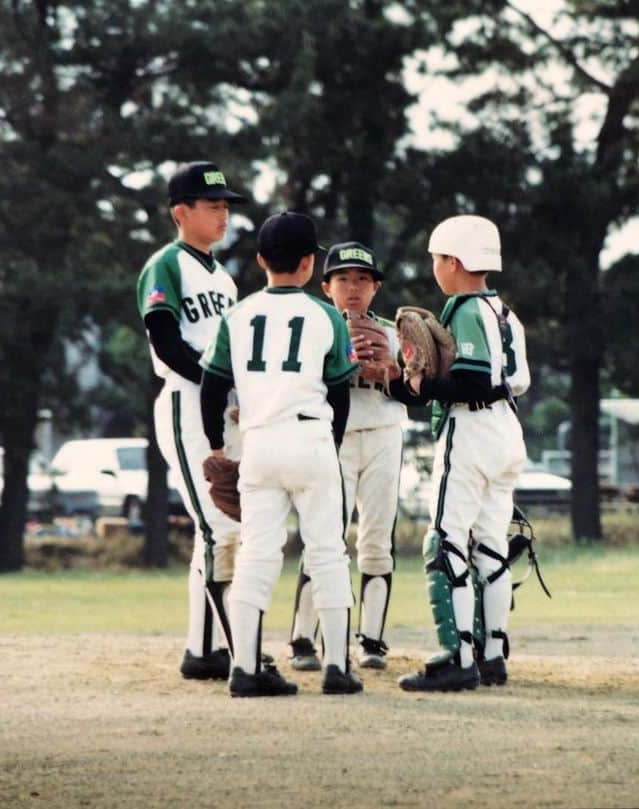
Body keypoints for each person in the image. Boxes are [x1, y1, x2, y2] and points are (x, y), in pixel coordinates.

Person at [200, 212, 362, 697]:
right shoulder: (326, 315)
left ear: (260, 260)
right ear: (311, 263)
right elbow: (340, 390)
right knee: (328, 551)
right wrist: (330, 447)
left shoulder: (239, 313)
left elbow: (212, 386)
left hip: (260, 444)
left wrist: (215, 444)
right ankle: (337, 668)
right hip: (310, 437)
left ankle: (245, 667)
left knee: (256, 554)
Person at [398, 215, 530, 692]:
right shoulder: (504, 312)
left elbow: (472, 380)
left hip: (471, 428)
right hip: (506, 430)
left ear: (453, 261)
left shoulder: (466, 308)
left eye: (436, 259)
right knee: (490, 546)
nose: (435, 267)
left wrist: (422, 382)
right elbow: (516, 381)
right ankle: (493, 655)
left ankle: (458, 656)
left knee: (447, 542)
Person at [287, 242, 424, 672]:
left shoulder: (393, 330)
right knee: (325, 537)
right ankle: (303, 638)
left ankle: (372, 640)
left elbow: (415, 395)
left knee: (377, 540)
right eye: (343, 279)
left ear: (376, 286)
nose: (352, 288)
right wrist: (344, 369)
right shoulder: (316, 326)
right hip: (335, 438)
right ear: (325, 286)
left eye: (362, 280)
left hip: (384, 433)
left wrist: (393, 372)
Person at [136, 161, 248, 682]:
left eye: (226, 205)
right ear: (181, 212)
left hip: (221, 409)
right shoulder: (166, 265)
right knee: (219, 527)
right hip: (185, 403)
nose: (223, 213)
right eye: (213, 205)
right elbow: (165, 341)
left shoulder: (223, 278)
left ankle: (202, 649)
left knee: (227, 529)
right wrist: (215, 384)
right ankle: (235, 651)